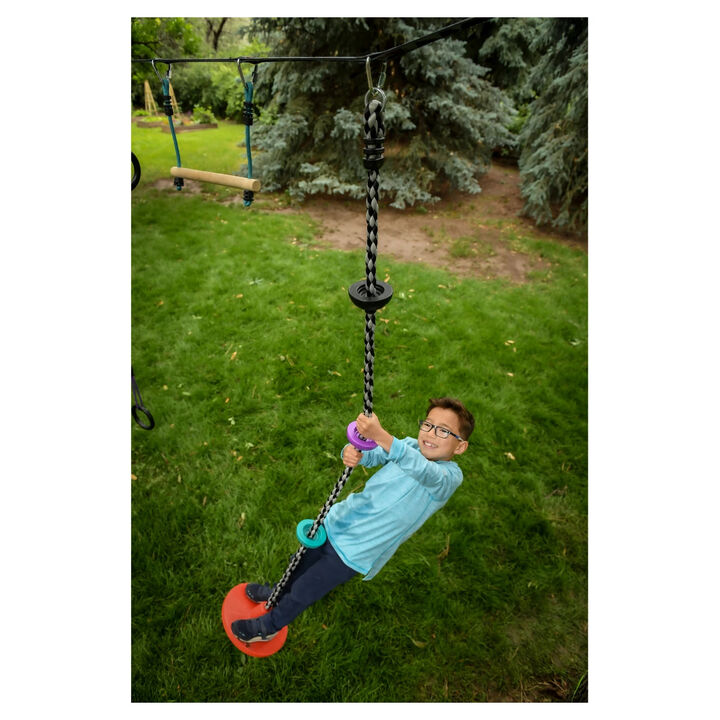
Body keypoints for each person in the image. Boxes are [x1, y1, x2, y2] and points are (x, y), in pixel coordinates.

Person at [231, 396, 475, 643]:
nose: (431, 434)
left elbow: (422, 470)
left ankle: (269, 626)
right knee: (299, 563)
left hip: (355, 551)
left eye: (444, 431)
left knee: (306, 589)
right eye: (428, 424)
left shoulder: (448, 478)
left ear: (460, 446)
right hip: (338, 520)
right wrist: (355, 453)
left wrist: (382, 436)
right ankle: (278, 590)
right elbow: (377, 454)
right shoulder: (410, 446)